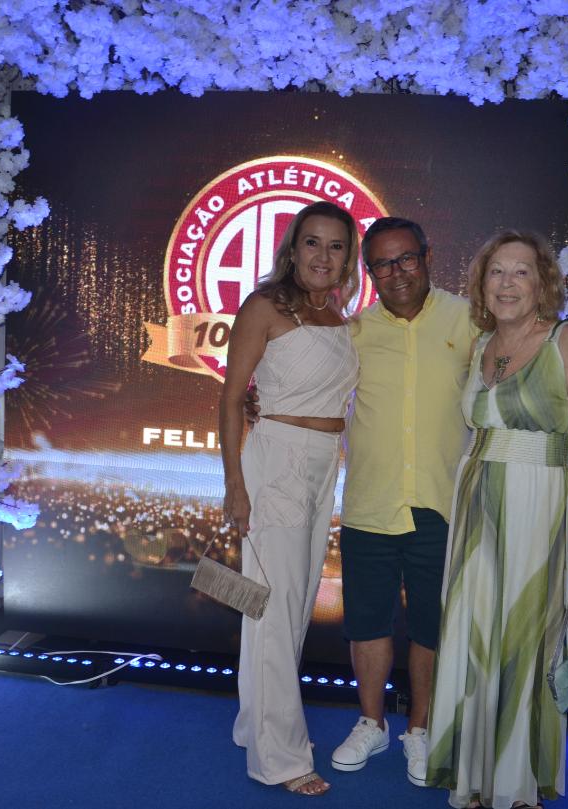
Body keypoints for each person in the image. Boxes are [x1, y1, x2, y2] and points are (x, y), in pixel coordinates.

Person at [425, 230, 568, 809]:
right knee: (474, 633)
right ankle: (475, 778)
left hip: (538, 502)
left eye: (521, 272)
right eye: (496, 272)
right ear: (482, 283)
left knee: (526, 637)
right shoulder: (482, 344)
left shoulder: (565, 340)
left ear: (542, 284)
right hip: (477, 503)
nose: (507, 283)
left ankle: (517, 787)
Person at [326, 218, 479, 786]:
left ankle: (419, 729)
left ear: (428, 256)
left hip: (441, 504)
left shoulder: (469, 320)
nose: (397, 272)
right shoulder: (354, 331)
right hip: (371, 501)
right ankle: (371, 723)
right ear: (369, 272)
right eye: (383, 264)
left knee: (430, 627)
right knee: (367, 623)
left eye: (406, 258)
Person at [220, 200, 361, 797]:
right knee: (274, 610)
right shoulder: (264, 307)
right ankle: (280, 758)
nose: (323, 255)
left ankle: (254, 723)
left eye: (336, 245)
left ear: (348, 258)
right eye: (312, 242)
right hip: (277, 458)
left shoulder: (340, 316)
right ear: (293, 248)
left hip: (324, 463)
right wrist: (235, 485)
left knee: (292, 606)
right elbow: (231, 399)